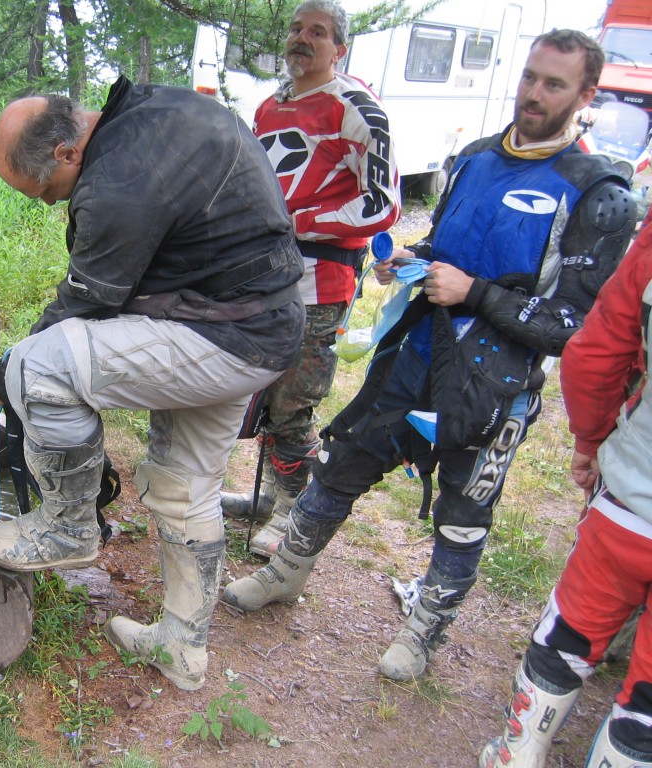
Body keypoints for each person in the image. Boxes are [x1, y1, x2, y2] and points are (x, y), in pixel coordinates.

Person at [223, 28, 638, 683]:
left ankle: (421, 636)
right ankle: (284, 575)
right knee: (338, 465)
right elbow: (449, 245)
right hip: (414, 352)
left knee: (463, 513)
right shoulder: (474, 157)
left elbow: (576, 326)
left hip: (493, 384)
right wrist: (415, 262)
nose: (533, 93)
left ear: (587, 94)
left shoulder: (600, 190)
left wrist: (474, 293)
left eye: (553, 84)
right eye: (529, 76)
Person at [0, 78, 306, 691]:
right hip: (256, 320)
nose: (45, 204)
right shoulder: (158, 110)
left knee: (39, 366)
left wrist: (1, 375)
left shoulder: (119, 181)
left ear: (68, 152)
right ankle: (181, 646)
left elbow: (85, 306)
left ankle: (67, 525)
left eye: (43, 192)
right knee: (185, 487)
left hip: (225, 332)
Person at [219, 0, 401, 558]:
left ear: (338, 48)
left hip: (321, 281)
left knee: (295, 399)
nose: (303, 39)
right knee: (258, 389)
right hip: (262, 275)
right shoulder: (270, 106)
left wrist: (297, 222)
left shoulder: (360, 109)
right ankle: (268, 496)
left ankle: (293, 506)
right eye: (297, 29)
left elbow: (383, 204)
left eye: (317, 32)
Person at [478, 219, 652, 767]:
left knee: (572, 632)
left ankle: (516, 753)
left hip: (633, 491)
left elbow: (596, 351)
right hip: (632, 486)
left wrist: (593, 440)